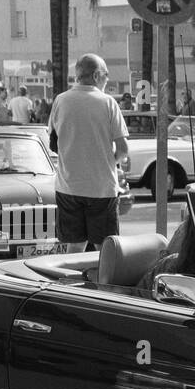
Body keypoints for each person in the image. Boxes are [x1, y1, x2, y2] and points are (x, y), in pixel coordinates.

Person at [47, 54, 130, 254]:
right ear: (96, 76)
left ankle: (71, 284)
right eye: (106, 75)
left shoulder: (61, 100)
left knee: (74, 247)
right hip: (101, 188)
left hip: (68, 188)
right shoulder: (108, 103)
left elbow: (53, 143)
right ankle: (102, 283)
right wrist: (110, 161)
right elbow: (123, 149)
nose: (107, 80)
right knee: (105, 248)